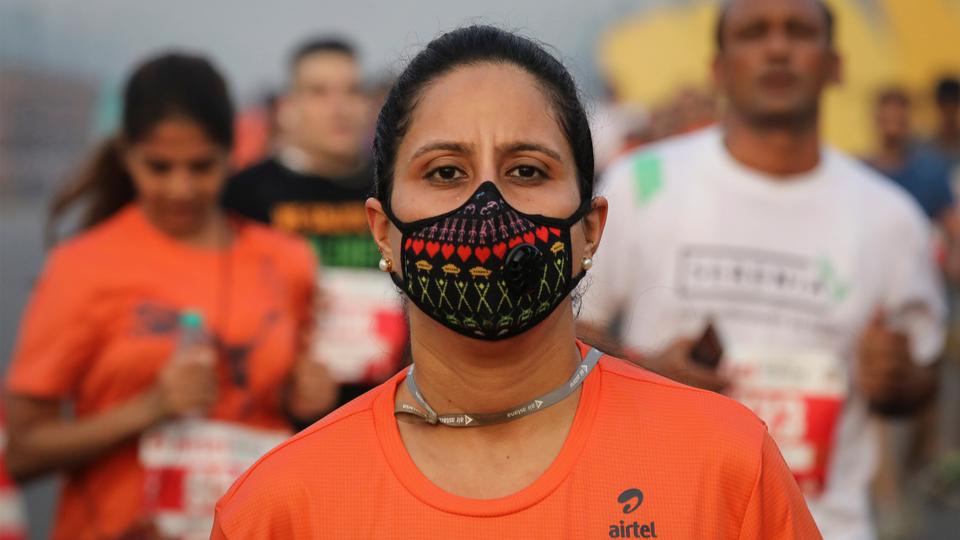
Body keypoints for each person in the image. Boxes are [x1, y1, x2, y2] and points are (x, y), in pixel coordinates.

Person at [211, 25, 820, 539]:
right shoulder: (281, 508)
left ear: (589, 227)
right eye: (445, 170)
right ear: (383, 231)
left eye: (527, 169)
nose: (487, 203)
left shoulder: (726, 466)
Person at [578, 1, 946, 539]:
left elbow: (925, 375)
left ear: (836, 64)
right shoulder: (640, 186)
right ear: (718, 68)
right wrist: (641, 370)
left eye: (799, 31)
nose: (777, 48)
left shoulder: (891, 218)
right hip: (663, 519)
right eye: (754, 33)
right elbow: (562, 335)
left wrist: (901, 379)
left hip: (823, 526)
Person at [3, 53, 335, 539]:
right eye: (159, 167)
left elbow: (289, 413)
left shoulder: (287, 260)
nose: (181, 188)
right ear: (127, 157)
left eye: (201, 167)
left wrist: (312, 404)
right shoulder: (81, 267)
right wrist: (150, 407)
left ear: (231, 155)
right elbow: (23, 452)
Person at [222, 38, 407, 411]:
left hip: (385, 406)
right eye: (319, 92)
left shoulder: (394, 190)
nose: (339, 107)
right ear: (289, 108)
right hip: (272, 413)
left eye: (352, 91)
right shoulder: (243, 193)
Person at [864, 87, 955, 224]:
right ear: (877, 119)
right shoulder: (861, 173)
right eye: (888, 118)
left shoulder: (931, 174)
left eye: (898, 118)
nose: (893, 126)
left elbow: (951, 223)